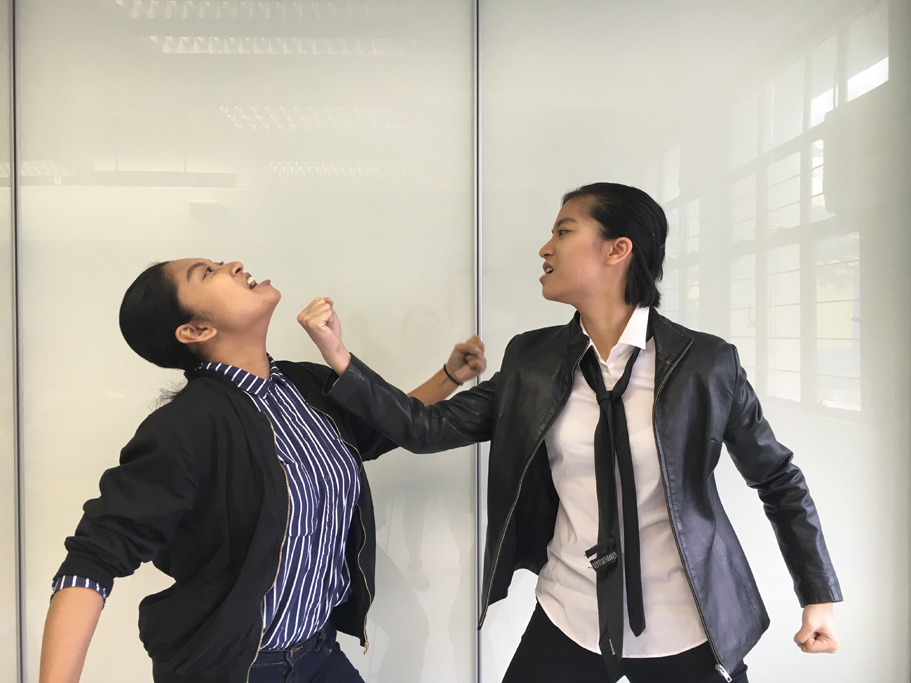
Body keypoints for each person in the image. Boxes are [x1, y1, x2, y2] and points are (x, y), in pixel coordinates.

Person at [300, 182, 843, 683]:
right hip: (571, 613)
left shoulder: (706, 364)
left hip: (688, 618)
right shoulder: (532, 360)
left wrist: (817, 594)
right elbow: (426, 430)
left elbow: (777, 477)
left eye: (563, 231)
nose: (545, 249)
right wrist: (341, 358)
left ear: (617, 249)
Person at [39, 258, 486, 683]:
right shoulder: (185, 426)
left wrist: (449, 376)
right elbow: (95, 557)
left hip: (318, 654)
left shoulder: (307, 383)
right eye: (207, 272)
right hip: (237, 670)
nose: (233, 265)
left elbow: (383, 427)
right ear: (196, 330)